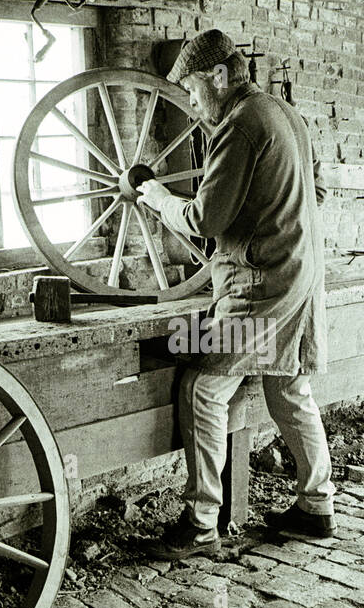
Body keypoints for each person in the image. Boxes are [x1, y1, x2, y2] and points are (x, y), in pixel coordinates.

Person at [135, 29, 336, 560]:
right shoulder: (282, 112)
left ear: (219, 76)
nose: (196, 106)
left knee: (205, 387)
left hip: (262, 285)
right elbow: (315, 191)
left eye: (196, 93)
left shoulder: (240, 125)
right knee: (289, 387)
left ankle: (201, 523)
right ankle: (316, 506)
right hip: (300, 274)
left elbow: (205, 219)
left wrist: (157, 197)